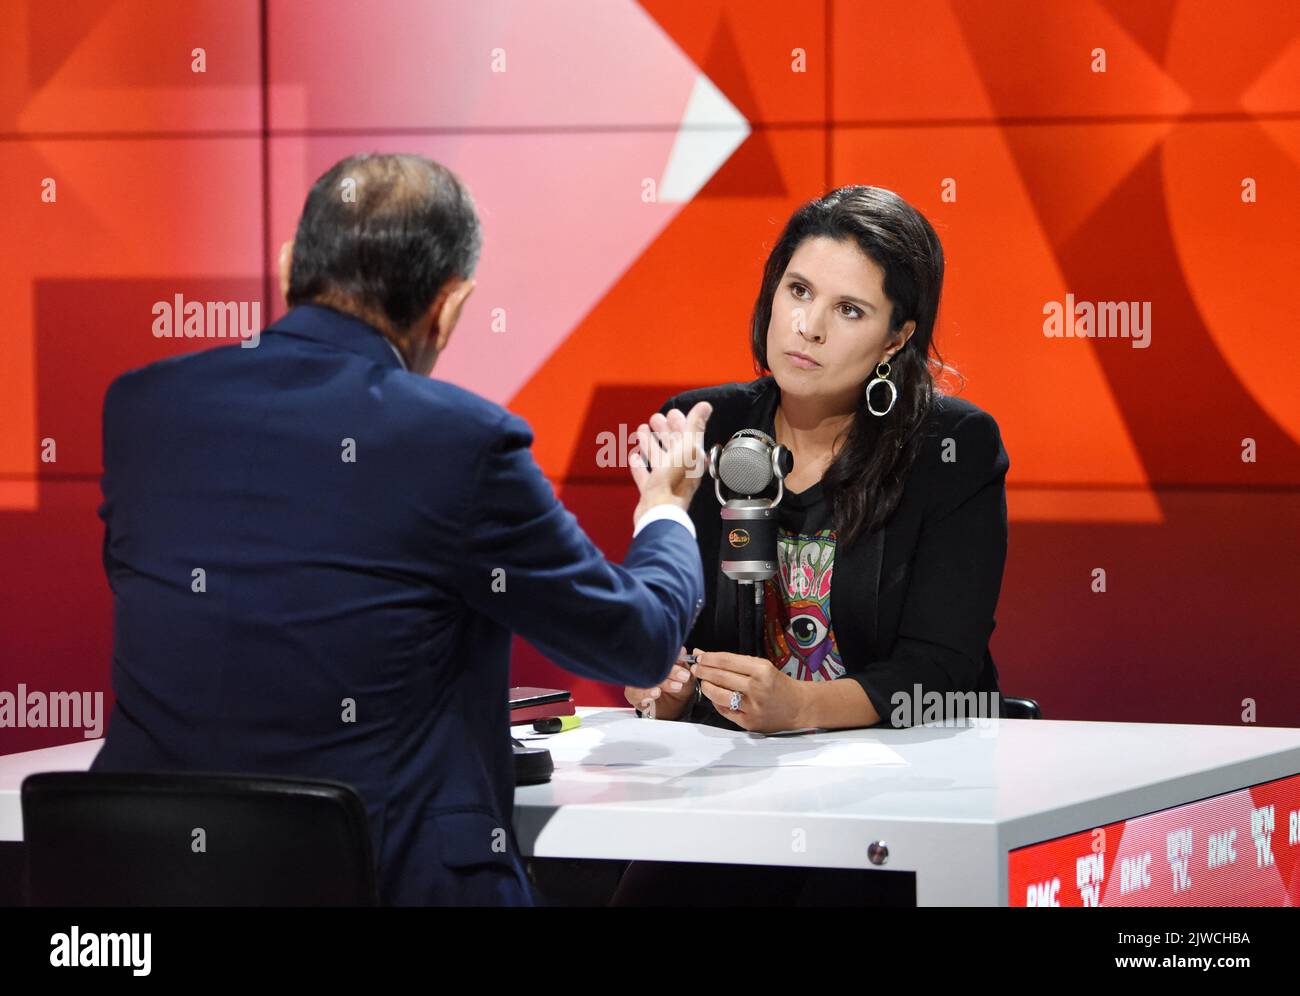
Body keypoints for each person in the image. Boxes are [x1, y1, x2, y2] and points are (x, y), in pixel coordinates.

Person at [91, 153, 711, 906]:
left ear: (289, 265)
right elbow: (636, 638)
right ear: (449, 306)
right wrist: (666, 511)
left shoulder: (141, 409)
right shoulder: (459, 442)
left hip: (143, 896)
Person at [613, 184, 1010, 904]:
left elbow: (941, 669)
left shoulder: (952, 447)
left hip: (905, 789)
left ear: (897, 338)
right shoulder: (702, 426)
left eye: (848, 309)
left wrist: (801, 707)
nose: (809, 326)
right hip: (737, 789)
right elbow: (668, 632)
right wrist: (660, 685)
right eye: (798, 290)